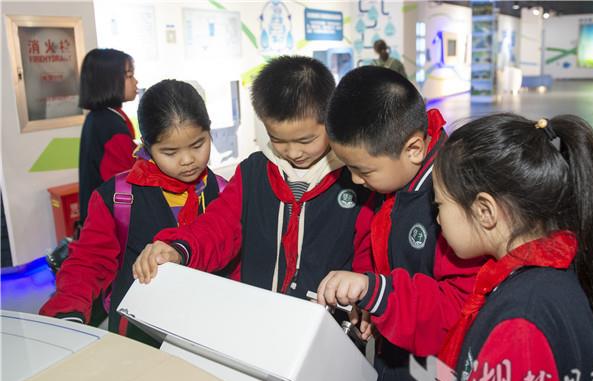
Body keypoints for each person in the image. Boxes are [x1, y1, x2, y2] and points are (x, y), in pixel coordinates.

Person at [132, 56, 376, 306]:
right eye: (278, 139)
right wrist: (179, 249)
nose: (293, 152)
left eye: (305, 141)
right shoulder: (254, 172)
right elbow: (218, 226)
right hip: (255, 314)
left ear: (331, 120)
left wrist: (364, 290)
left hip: (327, 322)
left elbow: (369, 249)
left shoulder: (355, 179)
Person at [316, 66, 484, 381]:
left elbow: (458, 310)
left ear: (415, 148)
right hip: (398, 375)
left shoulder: (453, 203)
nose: (356, 180)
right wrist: (372, 298)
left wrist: (381, 293)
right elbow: (383, 255)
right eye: (348, 167)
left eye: (364, 170)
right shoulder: (395, 182)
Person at [428, 114, 593, 381]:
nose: (437, 218)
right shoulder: (552, 276)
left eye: (439, 204)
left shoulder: (521, 322)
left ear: (484, 210)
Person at [41, 80, 230, 347]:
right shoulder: (118, 196)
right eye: (170, 152)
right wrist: (67, 311)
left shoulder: (224, 194)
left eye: (198, 145)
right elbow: (89, 261)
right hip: (139, 336)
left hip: (208, 330)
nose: (187, 160)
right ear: (147, 145)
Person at [78, 48, 138, 225]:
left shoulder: (98, 118)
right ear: (109, 81)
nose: (136, 81)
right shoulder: (111, 127)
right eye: (129, 75)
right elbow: (125, 186)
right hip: (111, 227)